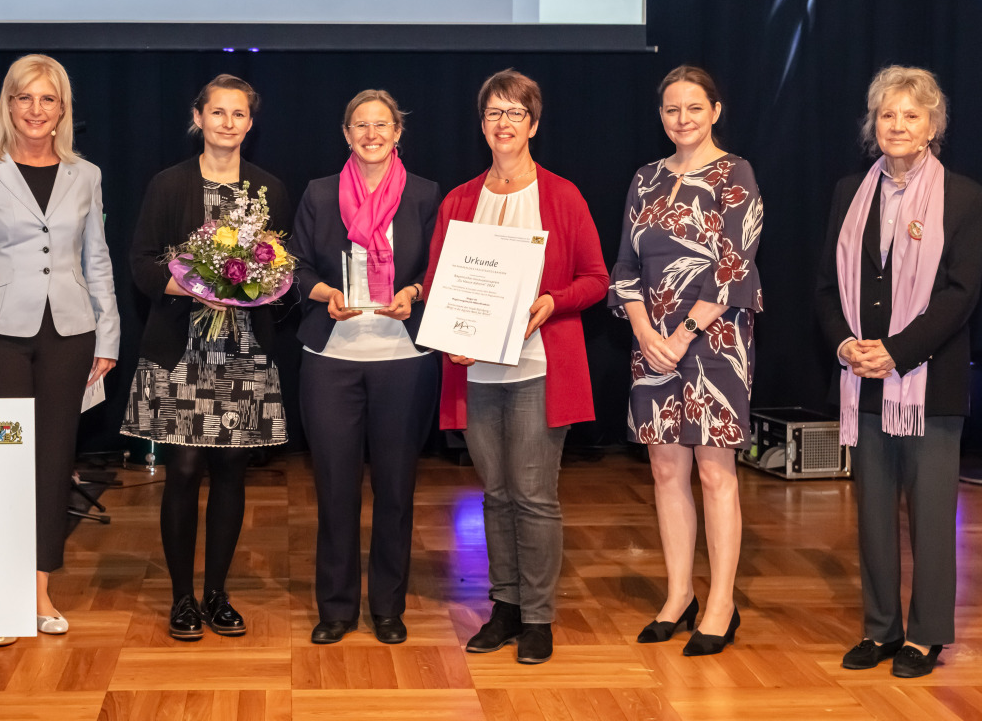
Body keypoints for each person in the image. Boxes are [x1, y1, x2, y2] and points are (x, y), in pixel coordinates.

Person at [423, 69, 608, 664]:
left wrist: (555, 301)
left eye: (515, 113)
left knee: (533, 493)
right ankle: (503, 607)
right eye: (493, 113)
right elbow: (436, 285)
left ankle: (539, 617)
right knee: (495, 494)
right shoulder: (459, 200)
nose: (504, 124)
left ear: (534, 123)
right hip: (476, 371)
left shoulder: (562, 195)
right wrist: (449, 332)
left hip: (537, 368)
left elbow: (596, 280)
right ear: (482, 124)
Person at [0, 54, 120, 645]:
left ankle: (39, 589)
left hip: (69, 337)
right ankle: (0, 591)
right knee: (4, 459)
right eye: (25, 98)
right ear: (8, 105)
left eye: (48, 99)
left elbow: (97, 259)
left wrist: (109, 336)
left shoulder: (86, 175)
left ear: (63, 109)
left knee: (52, 461)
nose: (36, 110)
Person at [816, 65, 982, 678]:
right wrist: (845, 347)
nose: (898, 125)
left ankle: (927, 635)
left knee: (933, 514)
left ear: (932, 125)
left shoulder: (964, 197)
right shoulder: (847, 193)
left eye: (912, 115)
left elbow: (960, 294)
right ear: (873, 124)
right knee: (874, 513)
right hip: (863, 380)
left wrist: (898, 350)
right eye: (888, 114)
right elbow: (825, 287)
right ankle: (881, 630)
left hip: (928, 385)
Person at [122, 74, 291, 642]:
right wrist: (188, 286)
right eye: (216, 112)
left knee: (230, 471)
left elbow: (283, 269)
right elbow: (142, 264)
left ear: (250, 123)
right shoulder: (168, 185)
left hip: (242, 350)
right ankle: (182, 597)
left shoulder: (267, 188)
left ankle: (218, 594)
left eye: (238, 114)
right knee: (185, 470)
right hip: (181, 349)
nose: (226, 123)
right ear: (198, 117)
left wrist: (261, 284)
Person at [607, 65, 763, 656]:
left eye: (693, 108)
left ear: (715, 111)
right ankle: (679, 595)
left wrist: (684, 333)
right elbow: (624, 266)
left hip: (717, 343)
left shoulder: (735, 174)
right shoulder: (645, 178)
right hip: (653, 345)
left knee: (714, 474)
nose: (682, 119)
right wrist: (648, 331)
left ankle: (721, 602)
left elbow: (734, 264)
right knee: (666, 471)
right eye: (672, 109)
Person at [289, 89, 441, 645]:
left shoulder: (425, 195)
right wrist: (324, 290)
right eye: (361, 125)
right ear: (346, 134)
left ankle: (388, 607)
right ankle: (335, 608)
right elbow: (297, 265)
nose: (372, 134)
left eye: (383, 124)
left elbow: (440, 267)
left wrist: (417, 289)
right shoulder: (320, 193)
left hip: (404, 358)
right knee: (334, 489)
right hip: (331, 358)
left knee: (397, 489)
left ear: (398, 132)